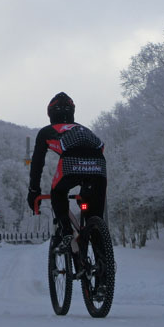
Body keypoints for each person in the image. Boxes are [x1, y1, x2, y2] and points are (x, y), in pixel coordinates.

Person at [27, 92, 107, 252]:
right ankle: (101, 263)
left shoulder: (47, 131)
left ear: (50, 114)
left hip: (71, 162)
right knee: (95, 219)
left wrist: (34, 191)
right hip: (99, 165)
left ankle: (67, 233)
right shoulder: (83, 129)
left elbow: (37, 163)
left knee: (58, 192)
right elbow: (99, 148)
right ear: (72, 112)